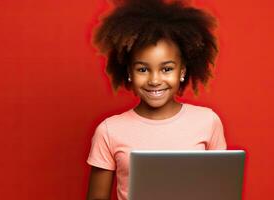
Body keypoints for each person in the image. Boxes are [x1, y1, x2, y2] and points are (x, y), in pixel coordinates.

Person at [86, 0, 226, 199]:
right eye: (143, 69)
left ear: (182, 71)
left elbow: (220, 191)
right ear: (129, 73)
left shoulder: (207, 122)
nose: (154, 80)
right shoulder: (109, 131)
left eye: (166, 69)